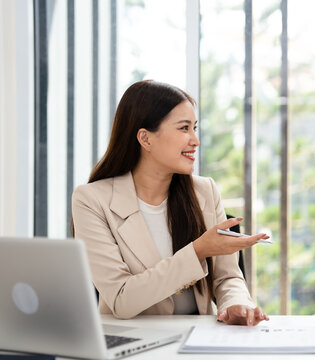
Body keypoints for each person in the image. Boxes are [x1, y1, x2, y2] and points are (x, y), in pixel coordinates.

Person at [72, 80, 270, 325]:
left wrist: (236, 305)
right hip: (132, 342)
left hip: (197, 340)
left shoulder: (205, 191)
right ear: (145, 139)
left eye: (194, 128)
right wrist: (198, 251)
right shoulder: (92, 200)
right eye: (184, 128)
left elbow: (227, 278)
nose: (195, 140)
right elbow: (122, 300)